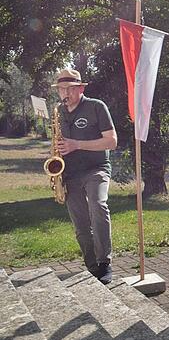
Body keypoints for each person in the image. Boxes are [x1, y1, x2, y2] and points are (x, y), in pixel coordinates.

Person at [53, 68, 118, 284]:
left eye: (70, 89)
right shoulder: (59, 112)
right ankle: (92, 266)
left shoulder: (96, 107)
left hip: (96, 168)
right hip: (69, 173)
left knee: (98, 205)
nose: (65, 94)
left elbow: (111, 141)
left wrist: (77, 145)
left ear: (80, 88)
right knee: (79, 221)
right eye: (61, 89)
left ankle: (104, 262)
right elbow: (58, 143)